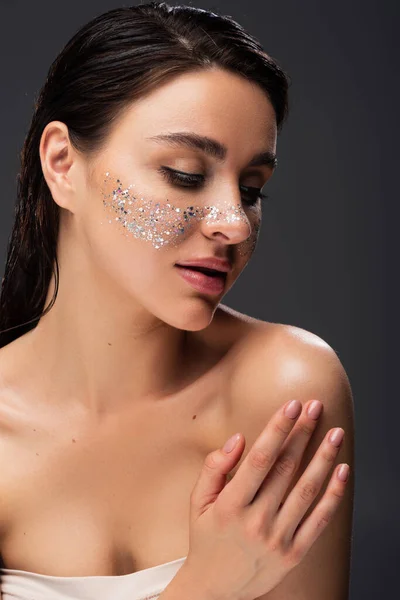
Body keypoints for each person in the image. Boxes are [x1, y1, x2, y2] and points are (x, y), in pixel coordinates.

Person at [0, 2, 354, 600]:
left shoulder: (285, 394)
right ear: (63, 164)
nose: (235, 224)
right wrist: (204, 588)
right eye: (185, 174)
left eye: (251, 189)